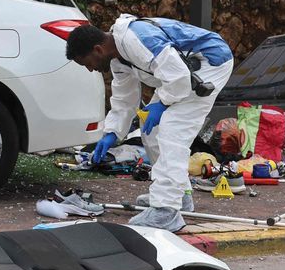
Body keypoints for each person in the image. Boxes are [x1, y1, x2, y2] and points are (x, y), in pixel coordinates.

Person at [65, 15, 234, 232]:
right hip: (182, 75)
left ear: (98, 50)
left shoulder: (138, 41)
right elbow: (124, 99)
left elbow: (180, 78)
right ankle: (179, 195)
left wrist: (162, 103)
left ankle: (167, 210)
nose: (90, 69)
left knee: (172, 131)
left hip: (210, 64)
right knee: (151, 130)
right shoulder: (118, 58)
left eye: (87, 63)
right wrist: (112, 134)